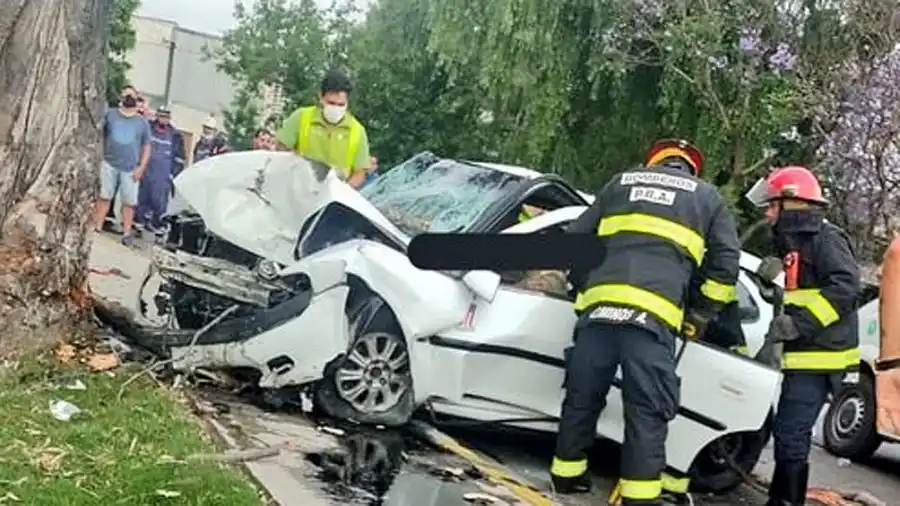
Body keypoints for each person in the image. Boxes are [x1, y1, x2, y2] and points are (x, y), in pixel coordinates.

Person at [551, 139, 740, 506]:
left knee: (582, 398)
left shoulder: (620, 183)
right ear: (690, 168)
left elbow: (575, 240)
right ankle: (638, 498)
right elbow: (725, 265)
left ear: (653, 162)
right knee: (647, 412)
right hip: (652, 323)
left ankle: (566, 477)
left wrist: (582, 287)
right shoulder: (706, 197)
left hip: (599, 312)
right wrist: (701, 314)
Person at [744, 166, 860, 506]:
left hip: (821, 356)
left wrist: (801, 325)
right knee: (787, 432)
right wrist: (775, 279)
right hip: (806, 353)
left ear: (792, 204)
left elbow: (845, 288)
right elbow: (804, 291)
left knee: (791, 434)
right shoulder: (798, 240)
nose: (767, 212)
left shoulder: (825, 239)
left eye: (773, 205)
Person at [275, 69, 372, 188]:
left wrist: (343, 191)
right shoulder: (301, 117)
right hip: (299, 190)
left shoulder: (357, 131)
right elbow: (281, 151)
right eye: (331, 103)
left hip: (335, 196)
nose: (336, 108)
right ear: (321, 96)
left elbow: (360, 172)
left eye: (341, 104)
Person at [92, 85, 151, 246]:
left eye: (132, 95)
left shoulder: (142, 123)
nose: (129, 97)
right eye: (126, 94)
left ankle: (126, 233)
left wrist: (141, 167)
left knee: (129, 202)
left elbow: (147, 146)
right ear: (121, 97)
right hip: (109, 163)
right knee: (104, 196)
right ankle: (97, 226)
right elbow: (101, 135)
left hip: (131, 168)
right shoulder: (110, 115)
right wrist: (100, 154)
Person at [137, 105, 184, 234]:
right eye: (161, 115)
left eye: (166, 116)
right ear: (156, 116)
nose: (163, 119)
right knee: (142, 197)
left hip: (163, 175)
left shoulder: (175, 135)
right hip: (146, 170)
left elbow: (179, 158)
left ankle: (156, 224)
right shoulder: (148, 128)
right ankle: (139, 222)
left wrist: (173, 175)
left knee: (159, 201)